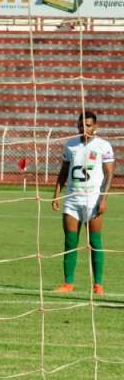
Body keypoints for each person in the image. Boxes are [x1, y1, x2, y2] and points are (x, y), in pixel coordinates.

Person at [52, 111, 114, 294]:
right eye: (81, 125)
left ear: (95, 127)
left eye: (88, 125)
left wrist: (104, 198)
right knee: (70, 242)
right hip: (72, 200)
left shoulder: (103, 146)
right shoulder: (71, 145)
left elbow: (109, 174)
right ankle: (68, 283)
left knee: (95, 242)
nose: (83, 128)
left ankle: (98, 284)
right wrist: (56, 194)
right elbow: (64, 171)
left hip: (93, 200)